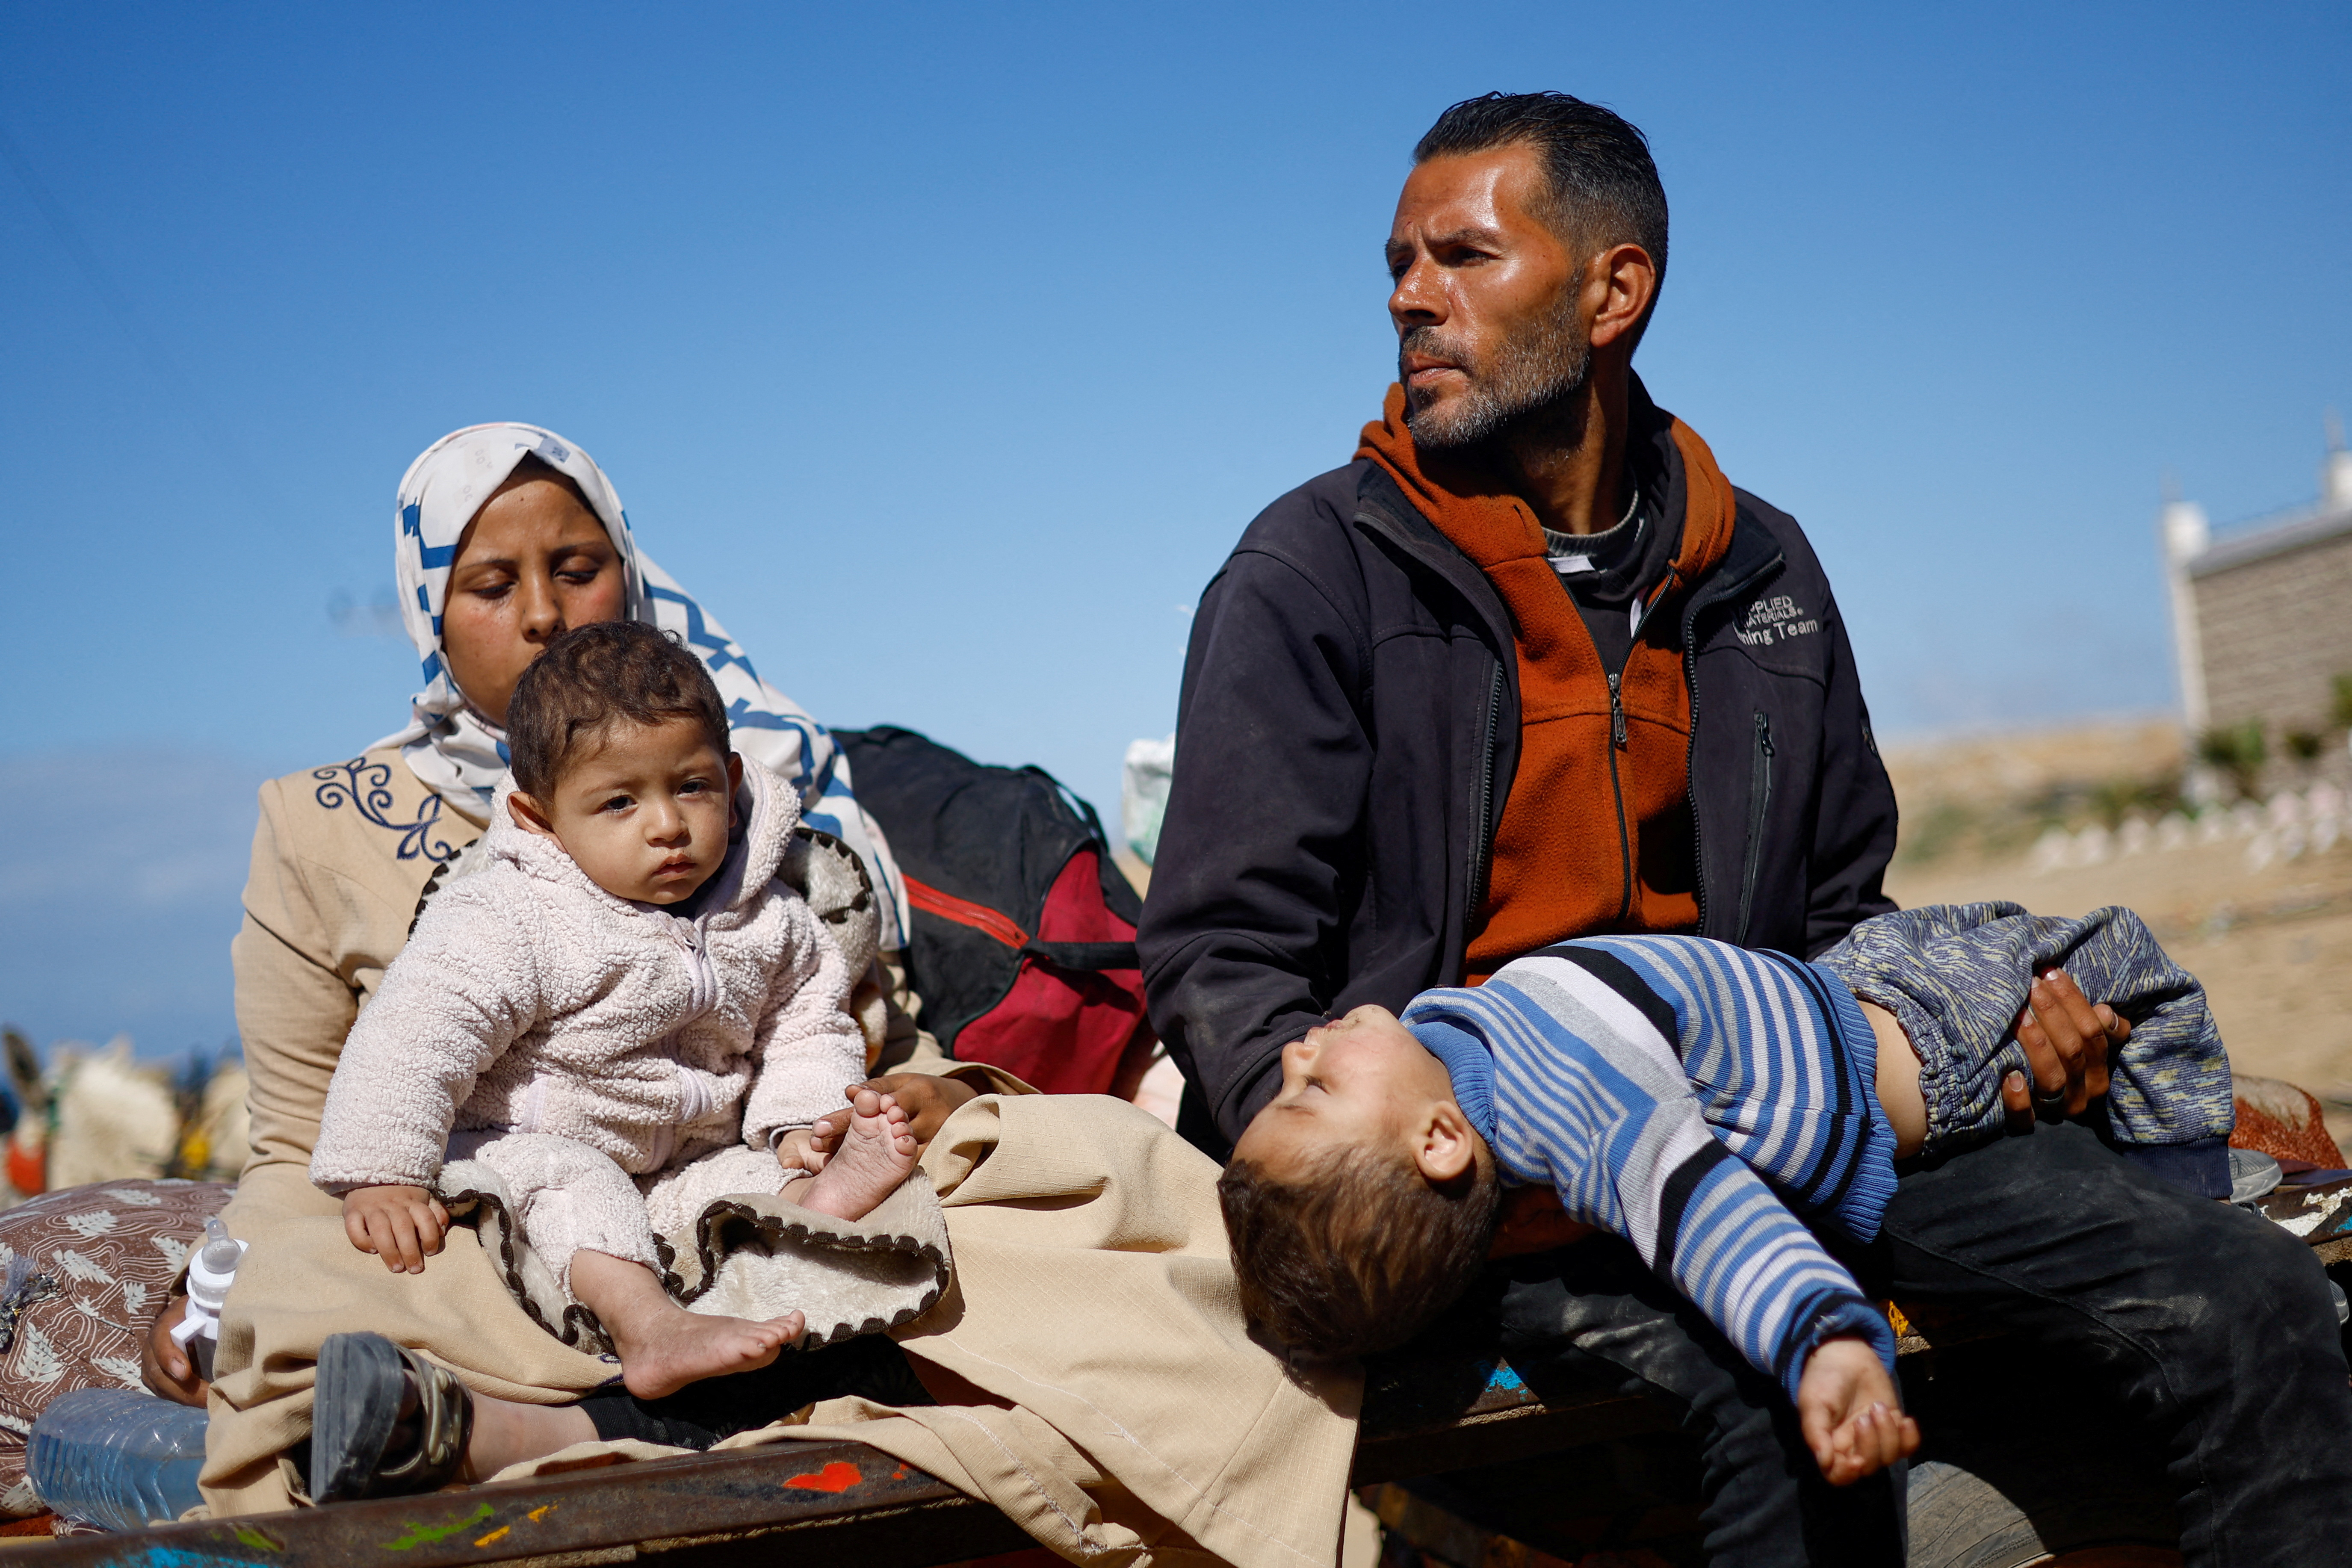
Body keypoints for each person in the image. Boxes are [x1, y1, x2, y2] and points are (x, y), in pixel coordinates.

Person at [1141, 92, 2352, 1564]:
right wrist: (1412, 1179)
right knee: (1778, 1389)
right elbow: (1224, 958)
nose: (1409, 294)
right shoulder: (1312, 572)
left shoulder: (1761, 566)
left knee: (2247, 1296)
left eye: (1461, 254)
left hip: (1788, 1110)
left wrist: (1992, 1033)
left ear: (1613, 292)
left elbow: (1841, 908)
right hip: (1497, 1180)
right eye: (1400, 260)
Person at [142, 423, 981, 1500]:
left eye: (577, 568)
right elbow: (308, 1136)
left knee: (1026, 1189)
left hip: (725, 1175)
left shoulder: (754, 795)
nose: (542, 613)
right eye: (492, 584)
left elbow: (853, 1028)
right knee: (319, 1287)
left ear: (630, 572)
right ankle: (646, 1403)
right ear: (431, 611)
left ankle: (538, 1430)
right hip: (491, 1209)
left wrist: (886, 1110)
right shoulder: (322, 827)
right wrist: (220, 1281)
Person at [1217, 904, 2242, 1484]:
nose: (1295, 1052)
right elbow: (1700, 1207)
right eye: (1314, 1091)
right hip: (1936, 1036)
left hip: (1855, 973)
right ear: (1440, 1142)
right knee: (2133, 964)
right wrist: (1822, 1338)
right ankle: (2195, 1181)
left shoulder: (1456, 1053)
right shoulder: (1567, 1098)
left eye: (1290, 1081)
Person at [311, 621, 920, 1411]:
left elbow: (807, 1023)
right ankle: (649, 1331)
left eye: (692, 787)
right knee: (581, 1190)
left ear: (732, 780)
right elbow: (416, 1034)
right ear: (540, 818)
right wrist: (383, 1174)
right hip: (528, 1145)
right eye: (620, 802)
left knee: (749, 1180)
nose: (667, 825)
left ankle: (816, 1201)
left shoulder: (769, 918)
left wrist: (803, 1122)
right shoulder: (512, 917)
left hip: (688, 1154)